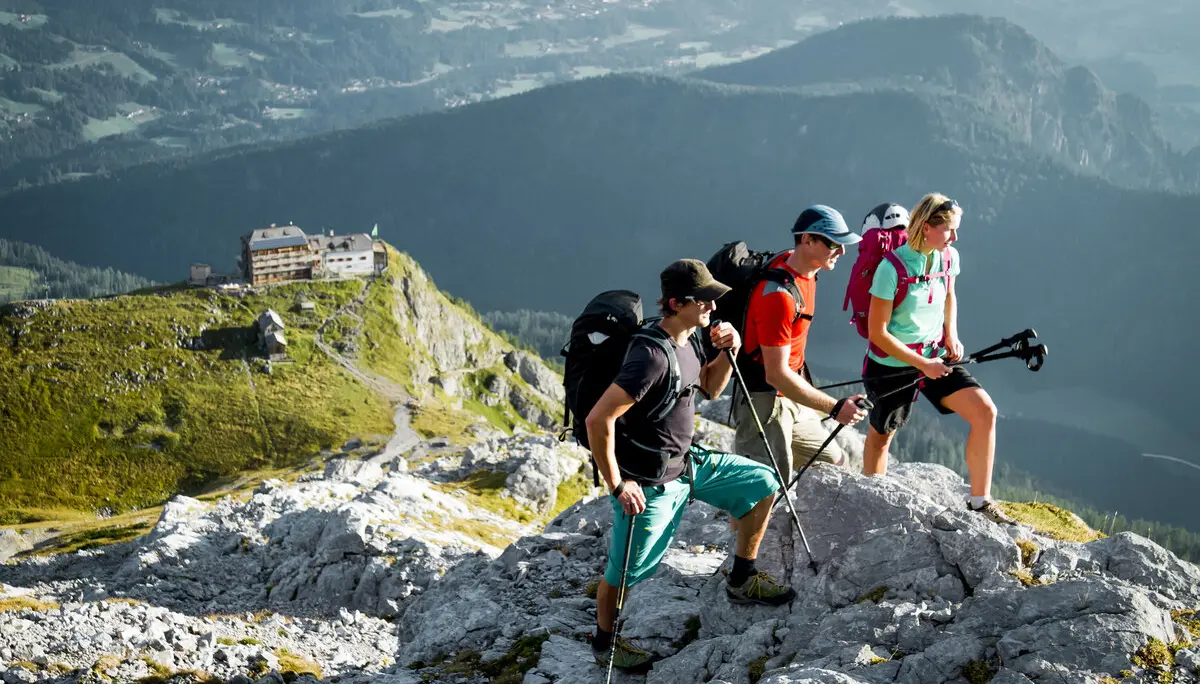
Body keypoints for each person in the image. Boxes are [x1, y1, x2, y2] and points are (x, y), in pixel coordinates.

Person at [587, 259, 796, 672]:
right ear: (678, 303)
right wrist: (617, 485)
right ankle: (603, 641)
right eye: (704, 300)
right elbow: (599, 418)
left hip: (687, 463)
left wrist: (727, 350)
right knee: (626, 570)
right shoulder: (650, 355)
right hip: (650, 482)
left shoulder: (691, 340)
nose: (712, 308)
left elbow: (712, 386)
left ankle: (741, 578)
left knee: (762, 482)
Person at [861, 193, 1016, 525]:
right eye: (949, 229)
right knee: (882, 434)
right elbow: (878, 333)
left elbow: (949, 295)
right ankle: (871, 501)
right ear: (926, 228)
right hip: (892, 363)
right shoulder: (892, 268)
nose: (955, 237)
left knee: (985, 412)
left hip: (935, 354)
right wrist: (921, 364)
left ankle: (979, 502)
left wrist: (952, 335)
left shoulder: (948, 257)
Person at [733, 205, 869, 485]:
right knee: (764, 490)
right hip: (765, 403)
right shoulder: (779, 296)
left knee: (835, 462)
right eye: (833, 243)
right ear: (807, 240)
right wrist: (835, 408)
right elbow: (776, 374)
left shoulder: (802, 269)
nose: (841, 251)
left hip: (791, 396)